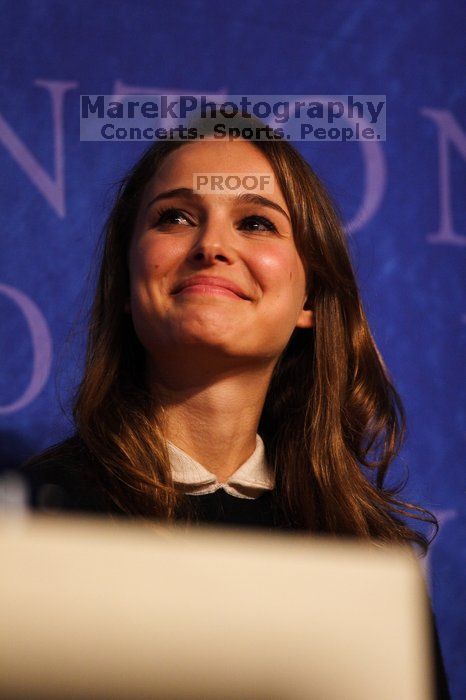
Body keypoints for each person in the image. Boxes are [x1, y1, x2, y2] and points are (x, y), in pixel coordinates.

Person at [19, 115, 450, 698]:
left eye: (255, 222)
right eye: (174, 217)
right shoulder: (28, 528)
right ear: (124, 283)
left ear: (311, 297)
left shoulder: (374, 558)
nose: (212, 247)